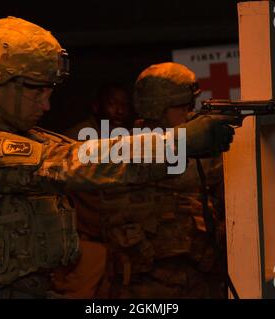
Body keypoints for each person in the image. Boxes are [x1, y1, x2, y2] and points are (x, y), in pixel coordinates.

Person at [0, 17, 234, 299]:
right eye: (36, 90)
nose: (46, 105)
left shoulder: (24, 136)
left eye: (50, 91)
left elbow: (91, 152)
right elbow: (73, 160)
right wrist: (177, 142)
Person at [68, 62, 227, 298]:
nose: (190, 113)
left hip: (199, 280)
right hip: (143, 288)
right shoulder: (125, 152)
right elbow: (175, 172)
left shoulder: (193, 151)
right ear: (158, 107)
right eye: (183, 107)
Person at [64, 83, 134, 140]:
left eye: (125, 105)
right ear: (96, 106)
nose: (120, 111)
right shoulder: (77, 136)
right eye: (112, 104)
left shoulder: (129, 135)